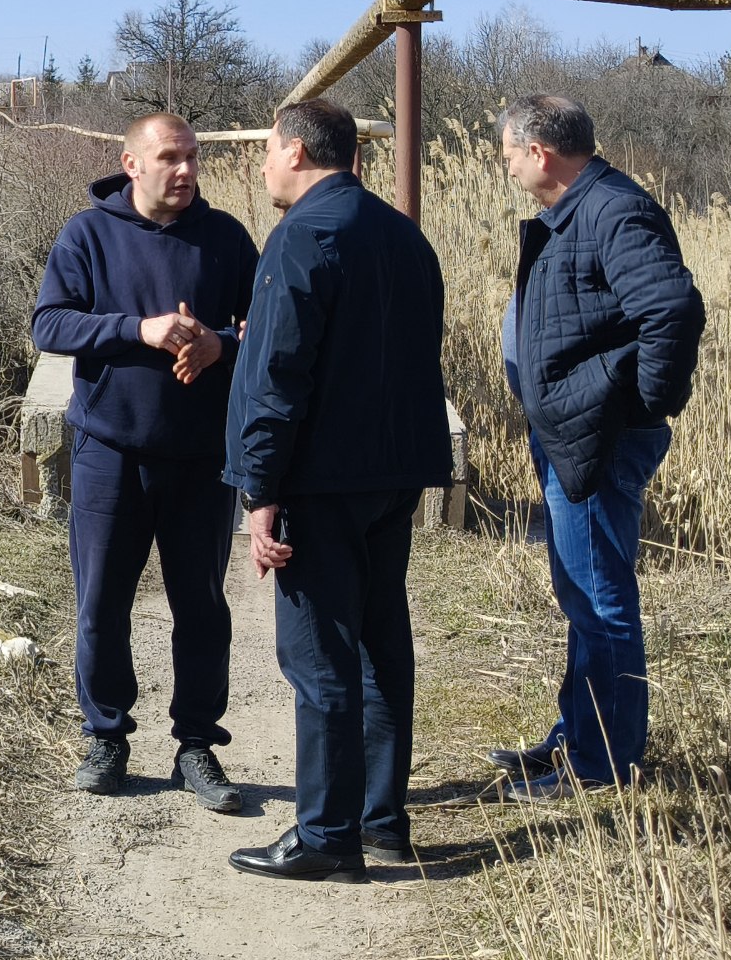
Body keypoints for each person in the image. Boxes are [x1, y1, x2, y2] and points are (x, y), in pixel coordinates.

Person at [225, 99, 450, 882]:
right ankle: (383, 821)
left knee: (319, 656)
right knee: (381, 646)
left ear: (295, 150)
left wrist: (260, 490)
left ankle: (326, 836)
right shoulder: (403, 235)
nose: (263, 165)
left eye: (267, 149)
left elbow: (276, 375)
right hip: (395, 475)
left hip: (320, 483)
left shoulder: (301, 237)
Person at [33, 112, 259, 811]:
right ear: (131, 164)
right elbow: (49, 324)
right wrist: (142, 329)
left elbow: (263, 326)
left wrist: (220, 344)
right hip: (110, 451)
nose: (186, 170)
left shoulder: (226, 238)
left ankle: (197, 746)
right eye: (170, 158)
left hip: (201, 457)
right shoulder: (88, 234)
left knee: (202, 606)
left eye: (192, 156)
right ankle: (107, 736)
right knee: (102, 603)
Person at [489, 95, 703, 798]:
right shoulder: (577, 211)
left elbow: (671, 308)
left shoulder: (613, 210)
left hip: (598, 438)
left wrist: (638, 402)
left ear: (540, 152)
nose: (508, 168)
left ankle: (600, 765)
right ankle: (576, 739)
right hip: (574, 433)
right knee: (581, 594)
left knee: (601, 600)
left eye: (510, 155)